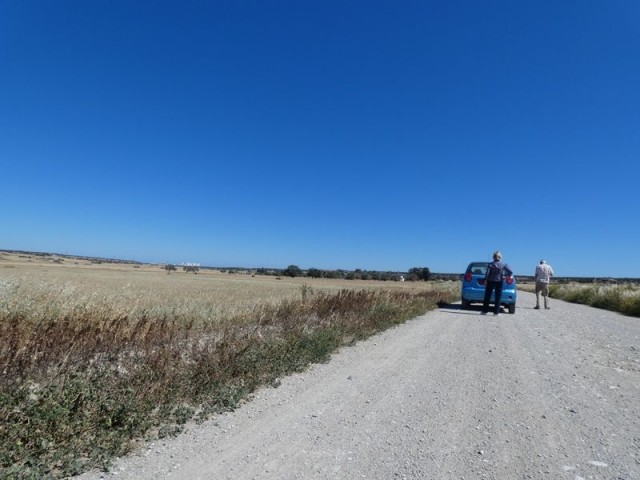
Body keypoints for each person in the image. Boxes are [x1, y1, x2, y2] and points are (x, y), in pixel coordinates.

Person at [482, 251, 513, 315]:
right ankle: (496, 312)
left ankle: (484, 311)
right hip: (499, 281)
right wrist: (505, 277)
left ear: (493, 257)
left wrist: (485, 280)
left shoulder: (490, 264)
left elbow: (487, 273)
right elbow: (510, 271)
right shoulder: (503, 264)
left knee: (487, 296)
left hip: (490, 280)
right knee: (498, 297)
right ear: (500, 257)